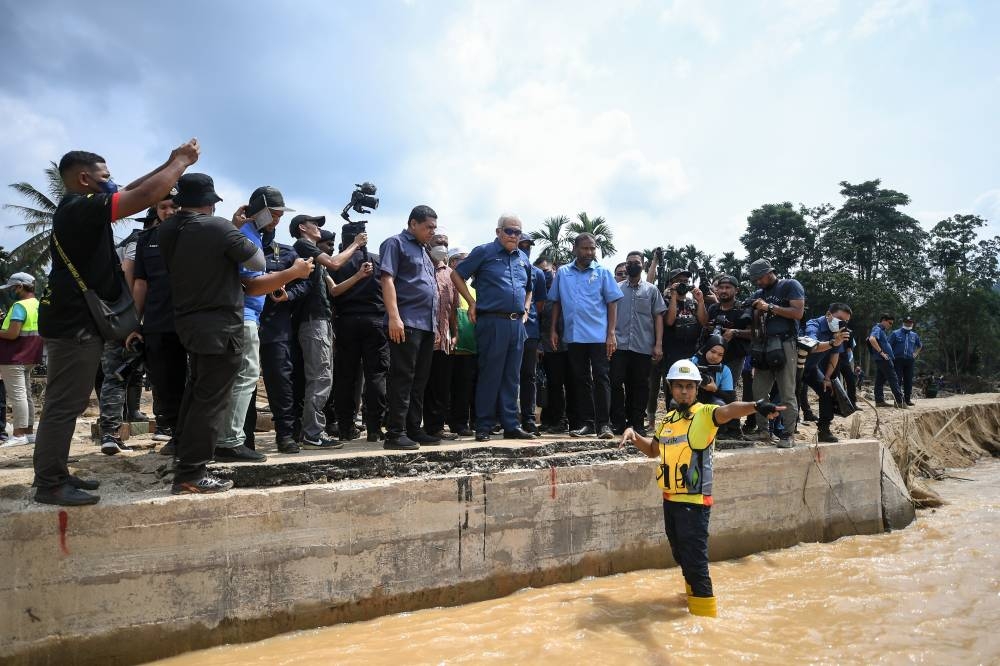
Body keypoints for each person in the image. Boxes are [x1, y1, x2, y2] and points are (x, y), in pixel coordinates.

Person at [33, 141, 199, 505]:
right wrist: (182, 164)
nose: (111, 182)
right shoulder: (79, 208)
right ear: (84, 178)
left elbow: (132, 190)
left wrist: (168, 162)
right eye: (104, 176)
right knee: (64, 404)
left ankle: (56, 472)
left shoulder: (81, 206)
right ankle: (49, 483)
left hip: (75, 319)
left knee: (68, 402)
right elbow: (141, 197)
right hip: (74, 322)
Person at [160, 173, 311, 493]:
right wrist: (293, 271)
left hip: (190, 318)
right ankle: (193, 471)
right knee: (213, 397)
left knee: (198, 392)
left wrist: (236, 225)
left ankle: (185, 458)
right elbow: (255, 267)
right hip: (221, 321)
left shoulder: (170, 229)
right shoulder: (218, 228)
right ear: (210, 203)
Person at [620, 359, 783, 618]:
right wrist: (634, 435)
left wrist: (756, 406)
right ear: (670, 389)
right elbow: (653, 450)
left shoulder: (706, 415)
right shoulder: (668, 421)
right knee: (680, 555)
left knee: (695, 563)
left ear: (697, 389)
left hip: (695, 504)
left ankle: (705, 619)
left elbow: (728, 410)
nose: (684, 391)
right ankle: (691, 601)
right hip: (670, 501)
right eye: (678, 387)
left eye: (689, 387)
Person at [215, 186, 299, 462]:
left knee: (237, 378)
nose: (277, 220)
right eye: (274, 214)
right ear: (260, 210)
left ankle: (227, 439)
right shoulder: (247, 238)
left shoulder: (245, 233)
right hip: (243, 316)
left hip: (242, 316)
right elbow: (250, 285)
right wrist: (292, 273)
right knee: (245, 377)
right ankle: (230, 441)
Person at [453, 214, 536, 441]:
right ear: (498, 231)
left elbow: (529, 288)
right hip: (492, 321)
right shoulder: (484, 251)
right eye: (509, 231)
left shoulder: (523, 259)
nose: (513, 236)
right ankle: (484, 425)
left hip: (516, 323)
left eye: (517, 232)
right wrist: (471, 302)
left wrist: (526, 309)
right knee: (490, 374)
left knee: (512, 376)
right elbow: (456, 274)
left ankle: (510, 425)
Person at [548, 233, 623, 439]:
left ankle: (604, 425)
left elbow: (612, 303)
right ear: (575, 249)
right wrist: (553, 329)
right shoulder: (563, 272)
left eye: (592, 248)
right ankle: (587, 423)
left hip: (599, 336)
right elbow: (556, 302)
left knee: (601, 377)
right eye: (585, 248)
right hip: (574, 335)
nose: (590, 252)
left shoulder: (603, 272)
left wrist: (611, 334)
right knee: (580, 379)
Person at [289, 213, 354, 450]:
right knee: (320, 377)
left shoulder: (312, 254)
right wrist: (356, 244)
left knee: (322, 376)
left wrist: (359, 274)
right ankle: (312, 434)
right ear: (301, 228)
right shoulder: (303, 244)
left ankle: (312, 431)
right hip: (312, 320)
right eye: (314, 224)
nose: (318, 228)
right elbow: (336, 263)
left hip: (321, 320)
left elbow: (334, 290)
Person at [379, 205, 440, 450]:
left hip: (426, 324)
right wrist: (394, 317)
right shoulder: (395, 243)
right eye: (428, 227)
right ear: (413, 224)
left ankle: (414, 428)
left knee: (419, 380)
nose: (432, 232)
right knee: (402, 378)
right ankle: (395, 433)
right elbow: (387, 279)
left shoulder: (425, 251)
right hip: (405, 322)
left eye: (434, 228)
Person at [133, 194, 184, 451]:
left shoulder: (197, 235)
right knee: (165, 383)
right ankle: (176, 435)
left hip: (193, 321)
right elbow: (141, 283)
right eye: (163, 207)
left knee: (196, 381)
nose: (169, 211)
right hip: (158, 322)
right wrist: (134, 322)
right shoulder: (146, 240)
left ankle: (197, 438)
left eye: (174, 206)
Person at [330, 222, 389, 443]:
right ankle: (374, 428)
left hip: (346, 322)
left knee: (346, 376)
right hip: (375, 321)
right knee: (376, 375)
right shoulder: (377, 260)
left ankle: (345, 427)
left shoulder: (335, 264)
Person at [258, 228, 310, 453]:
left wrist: (289, 294)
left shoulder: (287, 252)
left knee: (280, 381)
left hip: (275, 325)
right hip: (244, 319)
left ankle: (285, 434)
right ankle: (242, 437)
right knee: (243, 382)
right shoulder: (240, 246)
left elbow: (305, 282)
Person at [746, 258, 805, 448]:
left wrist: (769, 307)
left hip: (785, 343)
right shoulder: (758, 293)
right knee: (759, 391)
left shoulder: (790, 285)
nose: (758, 282)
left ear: (769, 272)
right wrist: (754, 310)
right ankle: (763, 431)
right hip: (763, 344)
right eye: (755, 279)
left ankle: (788, 433)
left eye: (760, 278)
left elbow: (797, 313)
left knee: (787, 391)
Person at [610, 251, 666, 435]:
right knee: (616, 383)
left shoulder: (651, 290)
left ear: (642, 265)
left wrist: (658, 344)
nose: (632, 265)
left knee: (640, 385)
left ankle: (637, 423)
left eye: (636, 262)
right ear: (625, 266)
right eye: (629, 263)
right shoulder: (616, 288)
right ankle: (618, 423)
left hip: (643, 346)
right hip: (619, 345)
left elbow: (658, 317)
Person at [649, 267, 708, 430]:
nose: (683, 284)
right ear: (671, 284)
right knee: (672, 387)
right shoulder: (664, 301)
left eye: (685, 282)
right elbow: (669, 321)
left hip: (691, 351)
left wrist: (701, 301)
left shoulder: (693, 302)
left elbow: (704, 322)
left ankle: (691, 420)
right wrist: (674, 296)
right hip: (671, 351)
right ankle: (672, 421)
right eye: (679, 281)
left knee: (691, 386)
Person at [423, 234, 460, 441]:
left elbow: (453, 308)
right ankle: (412, 427)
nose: (442, 247)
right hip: (422, 336)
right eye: (438, 242)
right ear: (428, 244)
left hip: (443, 339)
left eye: (445, 243)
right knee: (419, 384)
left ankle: (435, 428)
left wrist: (455, 334)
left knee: (440, 386)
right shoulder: (420, 266)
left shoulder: (451, 274)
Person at [0, 273, 43, 447]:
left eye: (12, 288)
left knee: (18, 396)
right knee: (26, 395)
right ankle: (28, 433)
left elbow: (12, 333)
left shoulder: (19, 306)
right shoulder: (38, 305)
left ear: (20, 287)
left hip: (14, 356)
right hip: (30, 356)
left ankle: (18, 434)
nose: (11, 291)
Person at [803, 304, 853, 442]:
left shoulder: (838, 332)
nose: (842, 323)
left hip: (812, 367)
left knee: (827, 390)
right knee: (789, 396)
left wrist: (827, 378)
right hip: (794, 367)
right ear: (828, 315)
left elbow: (835, 355)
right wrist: (833, 342)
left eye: (845, 321)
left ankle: (824, 430)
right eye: (839, 319)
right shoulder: (813, 325)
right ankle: (782, 430)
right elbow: (812, 346)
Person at [517, 234, 549, 434]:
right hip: (508, 328)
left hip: (530, 331)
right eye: (522, 245)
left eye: (528, 246)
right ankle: (506, 416)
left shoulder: (537, 273)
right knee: (506, 375)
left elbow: (540, 305)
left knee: (528, 376)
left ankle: (528, 418)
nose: (525, 249)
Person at [447, 248, 477, 437]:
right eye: (462, 260)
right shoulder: (446, 283)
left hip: (470, 345)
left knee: (465, 386)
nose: (467, 263)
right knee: (447, 387)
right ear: (452, 262)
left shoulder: (473, 289)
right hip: (449, 345)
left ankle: (461, 422)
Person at [868, 312, 905, 408]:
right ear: (883, 320)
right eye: (890, 323)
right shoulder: (877, 328)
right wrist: (881, 352)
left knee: (880, 380)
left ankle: (879, 401)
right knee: (893, 379)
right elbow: (872, 339)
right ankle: (899, 402)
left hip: (882, 359)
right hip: (883, 359)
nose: (891, 325)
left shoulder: (882, 330)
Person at [689, 335, 734, 407]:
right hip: (690, 397)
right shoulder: (691, 363)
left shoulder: (724, 370)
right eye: (713, 351)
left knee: (720, 404)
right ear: (707, 349)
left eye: (720, 355)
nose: (715, 356)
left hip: (712, 401)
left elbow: (731, 399)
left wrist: (715, 390)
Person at [889, 316, 922, 406]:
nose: (908, 324)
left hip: (909, 360)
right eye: (907, 322)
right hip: (897, 360)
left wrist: (915, 353)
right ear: (903, 323)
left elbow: (919, 345)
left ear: (912, 324)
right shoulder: (895, 333)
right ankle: (898, 401)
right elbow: (889, 346)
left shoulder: (914, 335)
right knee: (898, 380)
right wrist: (890, 357)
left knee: (908, 380)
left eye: (910, 322)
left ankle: (907, 400)